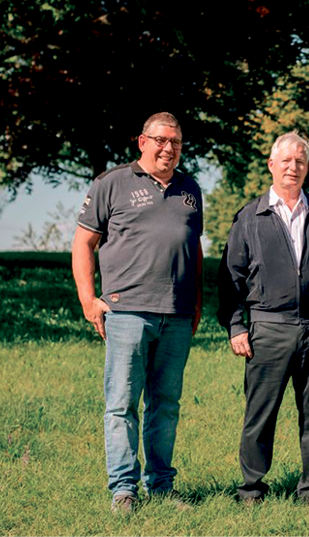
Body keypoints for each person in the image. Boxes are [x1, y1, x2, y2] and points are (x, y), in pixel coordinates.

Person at [217, 131, 309, 509]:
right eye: (286, 161)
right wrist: (236, 325)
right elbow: (230, 278)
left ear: (307, 167)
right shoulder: (250, 217)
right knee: (260, 414)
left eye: (300, 161)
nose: (292, 167)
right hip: (267, 328)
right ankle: (251, 489)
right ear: (271, 165)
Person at [71, 112, 204, 514]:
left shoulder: (190, 188)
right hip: (127, 312)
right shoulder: (112, 183)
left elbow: (194, 248)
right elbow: (83, 243)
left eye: (175, 142)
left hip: (177, 314)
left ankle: (161, 486)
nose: (169, 148)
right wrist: (88, 299)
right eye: (161, 140)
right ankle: (124, 490)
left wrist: (196, 302)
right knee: (122, 404)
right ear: (142, 142)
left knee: (166, 405)